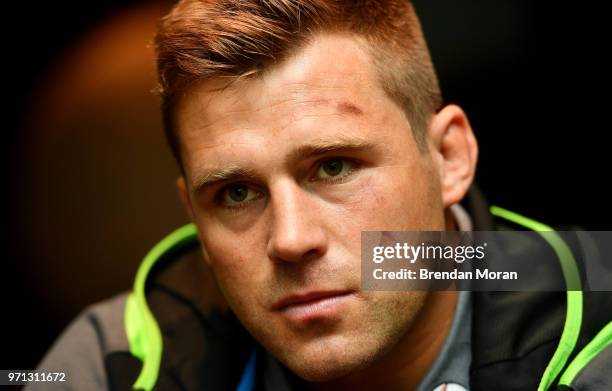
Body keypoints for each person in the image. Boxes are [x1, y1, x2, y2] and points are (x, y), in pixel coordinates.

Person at [29, 1, 611, 390]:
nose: (291, 239)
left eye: (333, 166)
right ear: (193, 217)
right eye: (235, 193)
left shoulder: (595, 335)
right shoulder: (116, 361)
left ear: (449, 157)